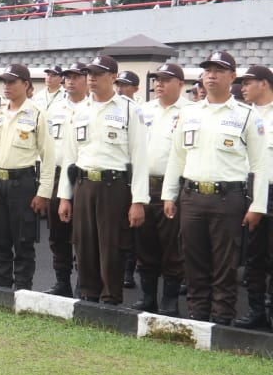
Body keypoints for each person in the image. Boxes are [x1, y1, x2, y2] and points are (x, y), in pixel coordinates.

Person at [163, 50, 267, 325]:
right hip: (192, 196)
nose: (211, 75)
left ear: (232, 77)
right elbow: (177, 156)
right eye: (208, 70)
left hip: (228, 199)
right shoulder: (189, 113)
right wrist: (168, 195)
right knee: (193, 260)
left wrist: (257, 206)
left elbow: (260, 165)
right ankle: (197, 316)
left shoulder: (247, 116)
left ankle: (222, 320)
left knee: (224, 264)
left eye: (219, 70)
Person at [57, 55, 149, 305]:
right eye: (89, 73)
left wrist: (138, 200)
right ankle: (87, 295)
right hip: (84, 184)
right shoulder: (79, 111)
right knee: (83, 244)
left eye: (98, 73)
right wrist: (65, 197)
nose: (92, 78)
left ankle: (110, 299)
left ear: (112, 77)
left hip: (113, 187)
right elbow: (69, 157)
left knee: (111, 247)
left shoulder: (130, 110)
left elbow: (140, 158)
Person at [0, 65, 54, 290]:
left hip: (23, 184)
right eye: (5, 82)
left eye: (12, 82)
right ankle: (1, 289)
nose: (7, 87)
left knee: (23, 241)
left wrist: (43, 192)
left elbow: (48, 157)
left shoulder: (37, 114)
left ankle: (22, 292)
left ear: (27, 85)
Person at [133, 62, 188, 315]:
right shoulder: (144, 110)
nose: (159, 84)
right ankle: (148, 298)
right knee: (145, 245)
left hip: (173, 188)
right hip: (145, 186)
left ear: (181, 84)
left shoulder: (190, 111)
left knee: (172, 248)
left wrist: (173, 193)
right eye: (157, 80)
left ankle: (170, 300)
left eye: (166, 80)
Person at [43, 62, 89, 296]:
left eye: (75, 76)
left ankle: (84, 282)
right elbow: (48, 147)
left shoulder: (92, 107)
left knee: (82, 233)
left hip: (83, 177)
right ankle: (62, 282)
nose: (69, 81)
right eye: (67, 77)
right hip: (57, 174)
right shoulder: (56, 109)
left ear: (86, 79)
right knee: (57, 233)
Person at [235, 64, 273, 328]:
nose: (243, 88)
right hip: (248, 189)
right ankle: (256, 309)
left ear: (265, 83)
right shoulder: (241, 114)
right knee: (253, 256)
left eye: (248, 82)